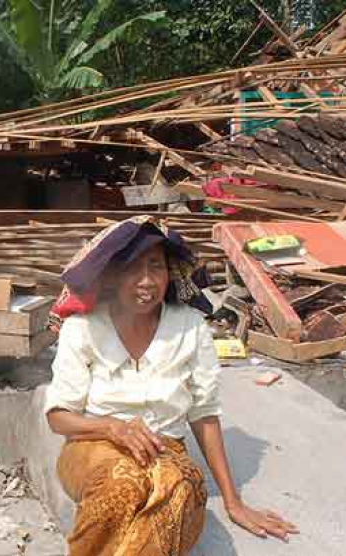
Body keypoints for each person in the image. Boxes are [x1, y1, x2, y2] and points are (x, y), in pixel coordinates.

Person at [45, 216, 297, 556]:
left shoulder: (190, 328)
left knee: (180, 490)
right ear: (112, 276)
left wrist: (234, 502)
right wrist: (113, 428)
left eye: (156, 268)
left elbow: (204, 415)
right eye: (132, 269)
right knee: (123, 485)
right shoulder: (84, 328)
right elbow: (59, 418)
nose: (146, 281)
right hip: (93, 447)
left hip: (167, 451)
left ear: (169, 274)